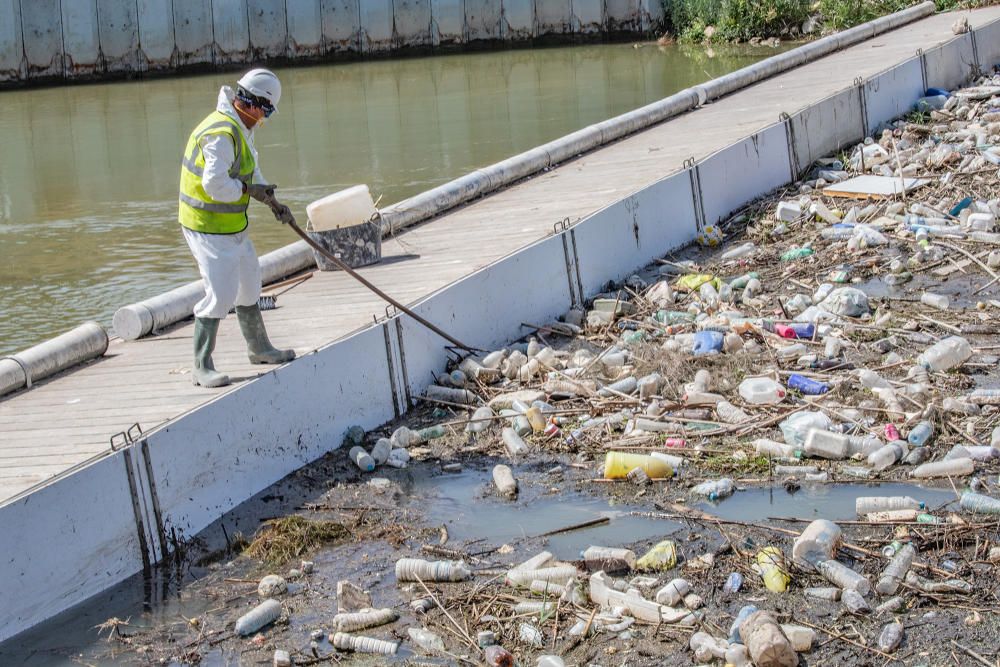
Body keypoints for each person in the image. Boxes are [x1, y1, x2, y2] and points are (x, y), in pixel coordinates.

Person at [178, 68, 296, 388]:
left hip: (232, 224)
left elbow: (251, 170)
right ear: (254, 103)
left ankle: (258, 348)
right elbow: (215, 184)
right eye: (267, 110)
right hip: (207, 226)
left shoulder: (240, 128)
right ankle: (201, 365)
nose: (265, 118)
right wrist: (248, 192)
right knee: (221, 293)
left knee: (249, 283)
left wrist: (272, 201)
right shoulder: (220, 132)